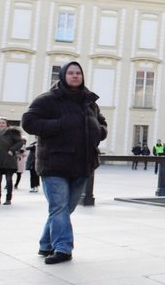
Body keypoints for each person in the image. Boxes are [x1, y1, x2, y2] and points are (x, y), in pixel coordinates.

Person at [21, 61, 107, 263]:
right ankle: (63, 248)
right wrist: (59, 125)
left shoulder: (89, 101)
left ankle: (46, 243)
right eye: (71, 73)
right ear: (63, 76)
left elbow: (102, 122)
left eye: (78, 73)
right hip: (54, 163)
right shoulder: (47, 100)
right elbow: (28, 122)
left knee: (66, 208)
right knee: (59, 207)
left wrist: (100, 131)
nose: (75, 76)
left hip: (82, 163)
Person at [0, 118, 25, 205]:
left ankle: (8, 199)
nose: (1, 124)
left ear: (7, 124)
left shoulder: (11, 133)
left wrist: (12, 150)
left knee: (8, 180)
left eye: (3, 123)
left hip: (9, 160)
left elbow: (20, 142)